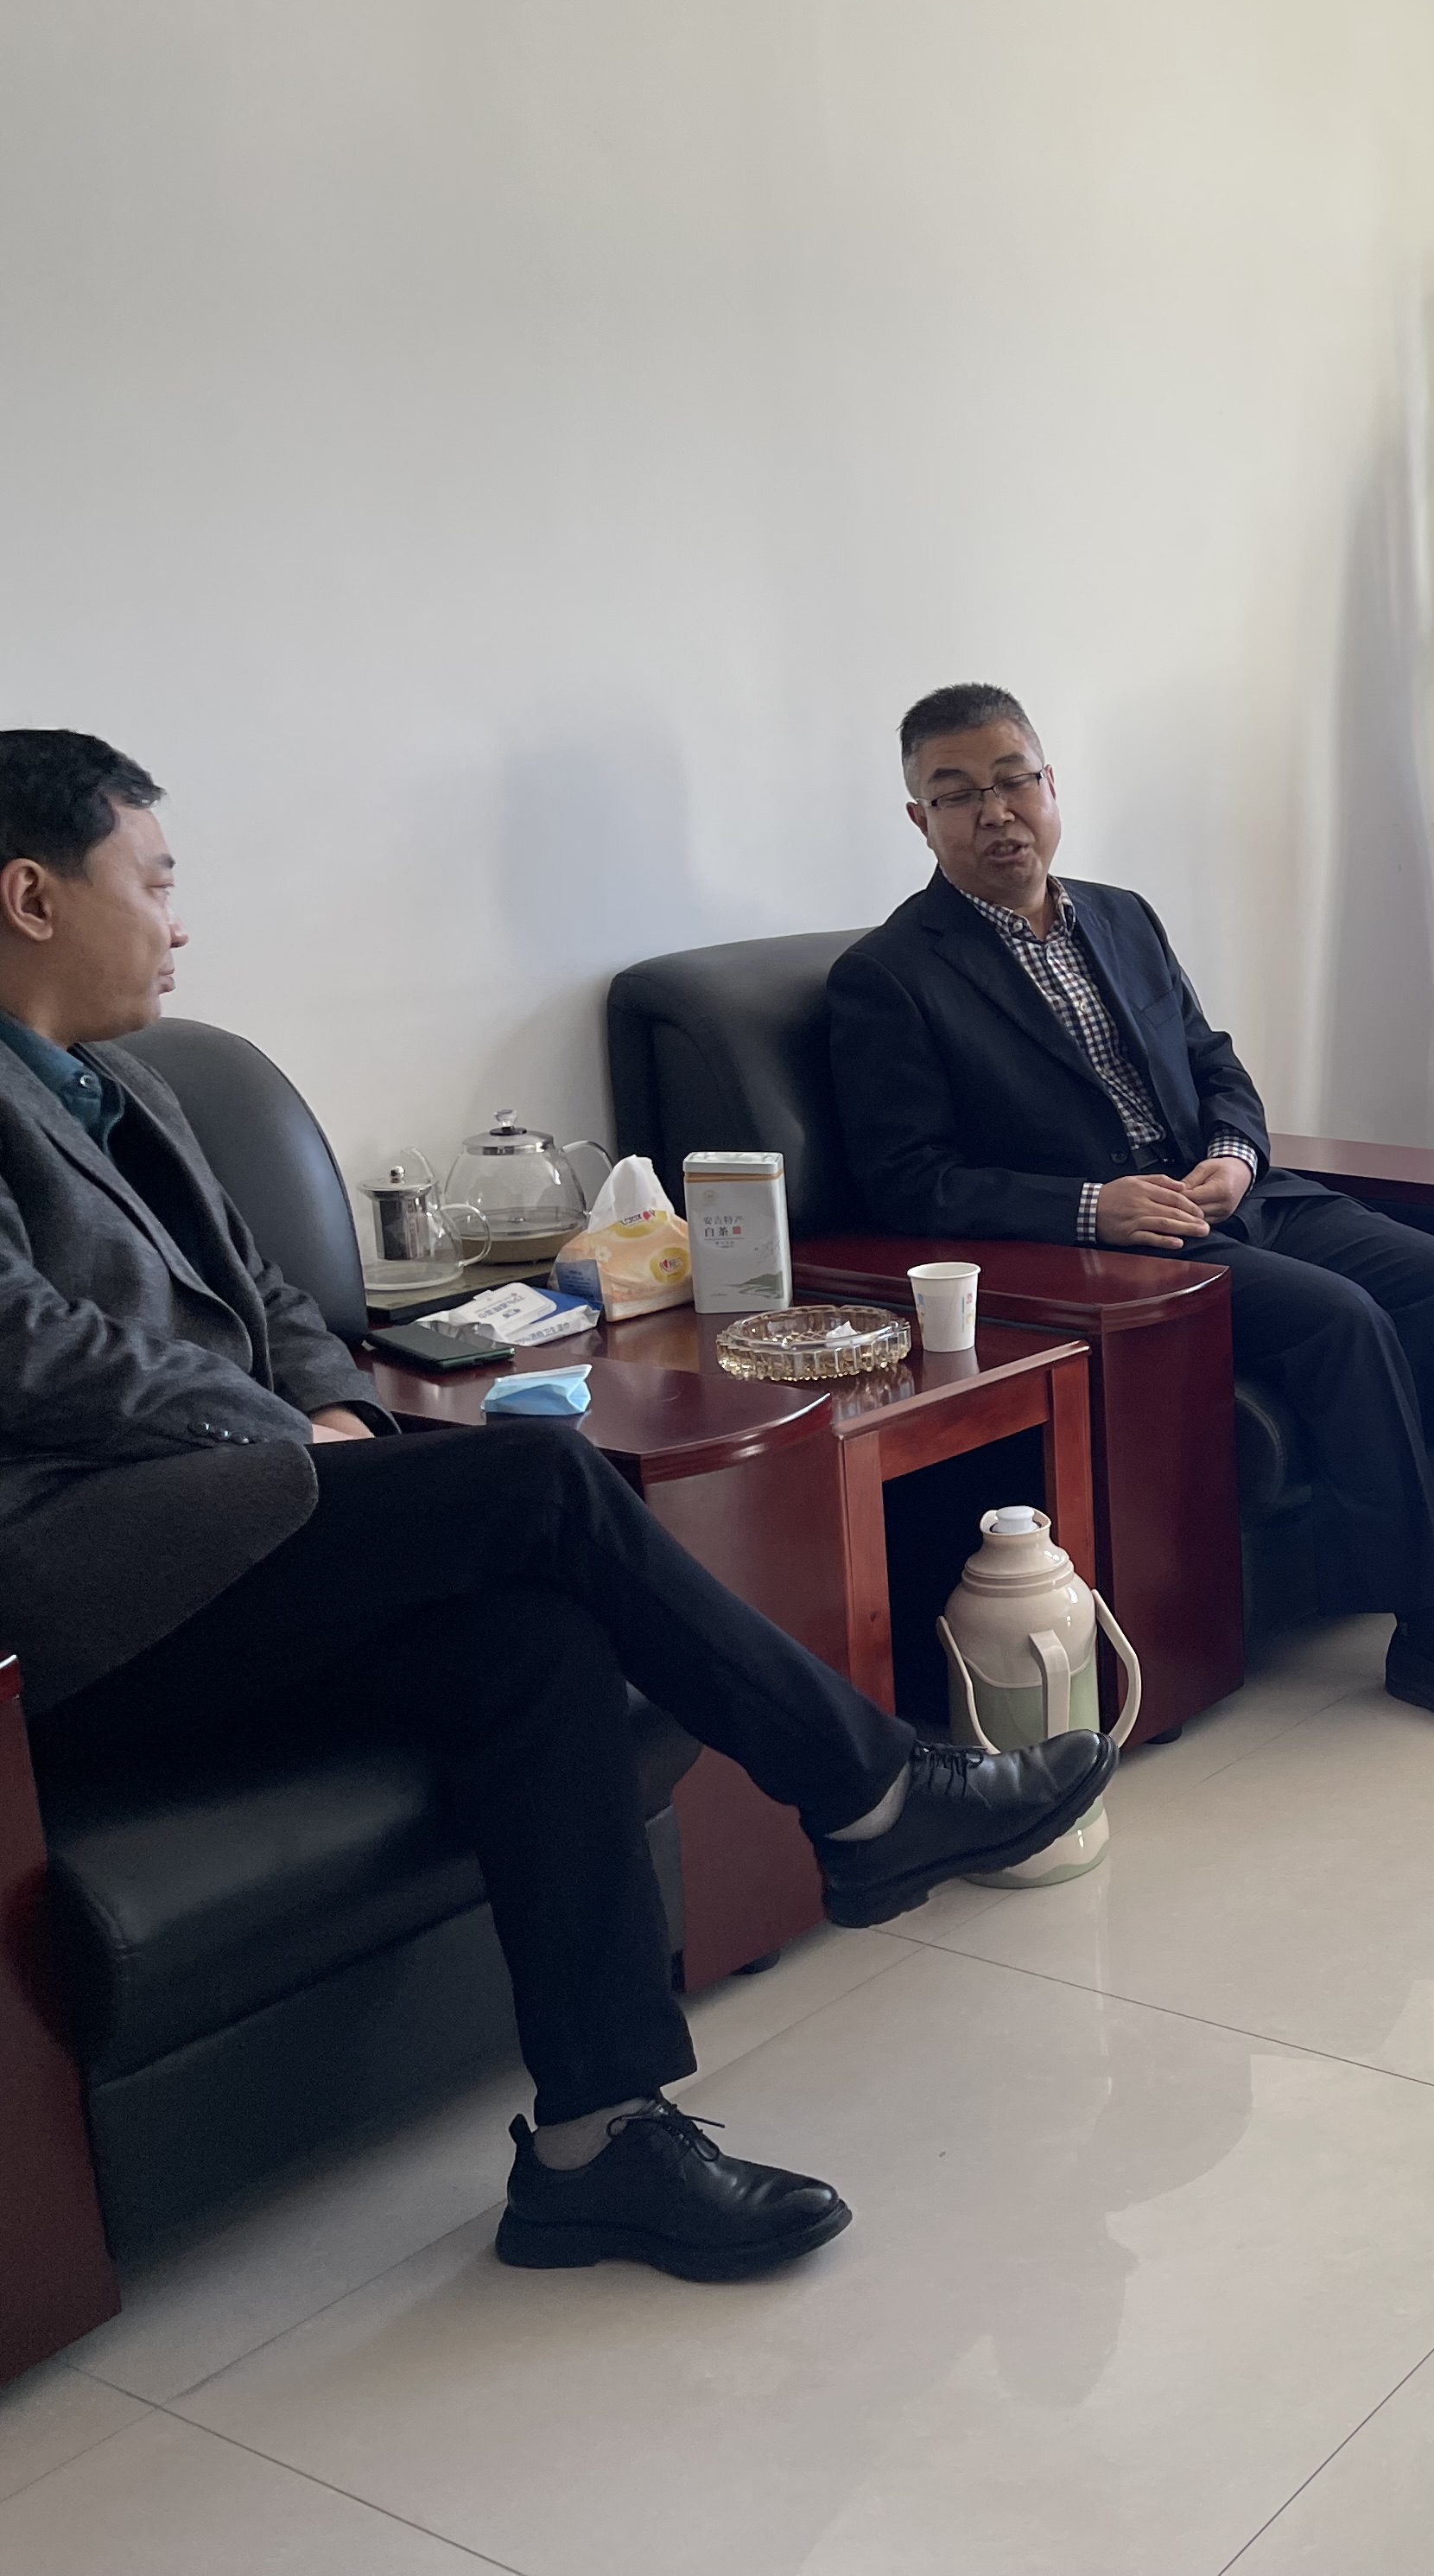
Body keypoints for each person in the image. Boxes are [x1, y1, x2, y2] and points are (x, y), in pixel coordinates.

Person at [0, 730, 1115, 2284]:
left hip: (252, 1534)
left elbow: (278, 1296)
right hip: (96, 1607)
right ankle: (869, 1789)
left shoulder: (129, 1087)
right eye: (157, 881)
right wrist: (287, 1436)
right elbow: (31, 1348)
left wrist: (330, 1407)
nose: (180, 922)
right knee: (534, 1475)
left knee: (532, 1641)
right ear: (33, 897)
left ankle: (597, 2142)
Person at [827, 684, 1434, 1734]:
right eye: (958, 795)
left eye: (1013, 780)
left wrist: (1233, 1153)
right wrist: (1091, 1209)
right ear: (920, 819)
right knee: (1343, 1321)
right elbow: (908, 1180)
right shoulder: (890, 976)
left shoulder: (1120, 916)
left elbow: (1214, 1062)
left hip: (1233, 1196)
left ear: (1051, 784)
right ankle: (1426, 1628)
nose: (996, 812)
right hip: (1110, 1252)